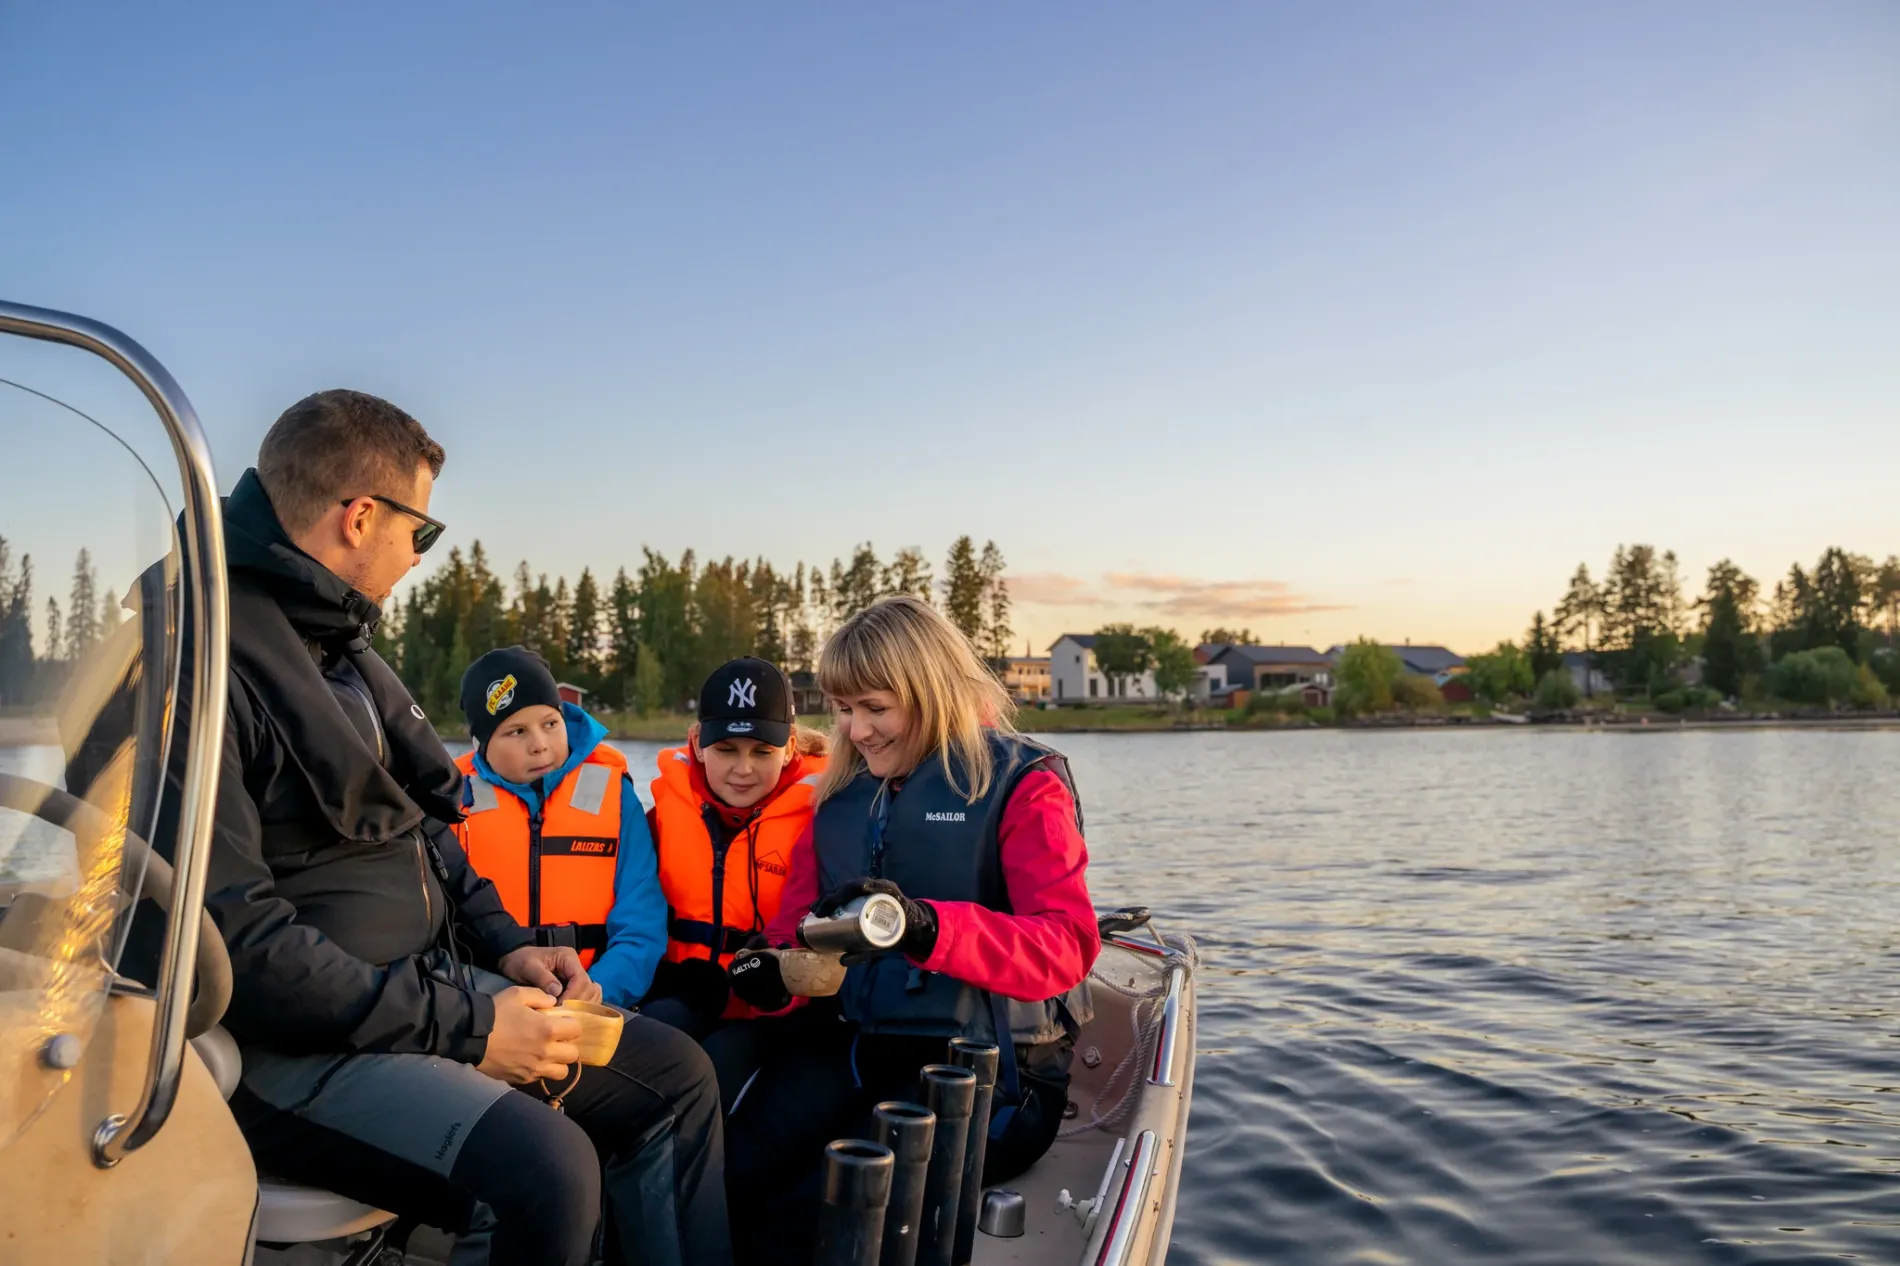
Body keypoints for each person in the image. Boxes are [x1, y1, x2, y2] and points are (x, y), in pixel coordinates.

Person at [133, 390, 729, 1266]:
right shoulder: (204, 662)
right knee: (547, 1170)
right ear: (361, 516)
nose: (420, 557)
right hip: (287, 1048)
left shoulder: (336, 651)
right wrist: (470, 1029)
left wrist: (509, 950)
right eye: (422, 531)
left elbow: (427, 837)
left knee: (675, 1078)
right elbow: (236, 941)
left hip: (419, 993)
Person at [722, 596, 1099, 1266]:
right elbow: (796, 932)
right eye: (842, 708)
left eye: (875, 707)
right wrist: (770, 973)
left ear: (929, 691)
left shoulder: (1023, 785)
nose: (856, 729)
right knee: (730, 1176)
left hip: (987, 1072)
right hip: (856, 1048)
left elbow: (1065, 947)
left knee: (813, 1214)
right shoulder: (838, 797)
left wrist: (923, 927)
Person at [639, 658, 826, 1104]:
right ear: (698, 745)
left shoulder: (823, 820)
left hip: (769, 1010)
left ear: (790, 748)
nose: (743, 769)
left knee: (717, 1073)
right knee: (641, 1057)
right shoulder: (660, 818)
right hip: (684, 991)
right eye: (726, 749)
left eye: (762, 752)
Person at [452, 645, 666, 1010]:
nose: (539, 745)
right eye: (516, 731)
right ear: (481, 744)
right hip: (488, 1004)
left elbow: (641, 921)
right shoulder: (452, 805)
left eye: (550, 724)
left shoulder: (615, 796)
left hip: (596, 998)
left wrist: (596, 991)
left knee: (682, 1063)